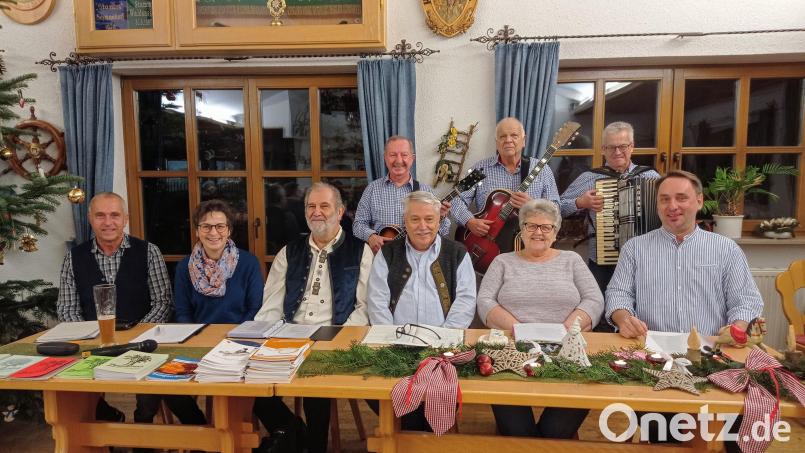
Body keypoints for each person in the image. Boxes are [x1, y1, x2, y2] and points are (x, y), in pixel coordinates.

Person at [56, 192, 205, 451]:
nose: (108, 222)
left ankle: (145, 432)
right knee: (63, 388)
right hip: (93, 344)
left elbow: (162, 303)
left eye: (114, 215)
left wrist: (135, 337)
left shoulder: (148, 252)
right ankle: (108, 419)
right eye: (100, 215)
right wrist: (90, 338)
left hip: (142, 343)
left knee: (157, 385)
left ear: (125, 219)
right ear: (90, 219)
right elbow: (67, 308)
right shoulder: (75, 257)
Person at [255, 182, 373, 453]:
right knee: (254, 386)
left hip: (334, 336)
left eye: (324, 206)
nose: (317, 212)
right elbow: (271, 304)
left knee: (315, 383)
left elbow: (365, 307)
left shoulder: (360, 250)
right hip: (289, 335)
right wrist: (262, 340)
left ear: (340, 211)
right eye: (311, 206)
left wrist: (339, 337)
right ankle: (298, 433)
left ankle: (315, 444)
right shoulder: (290, 251)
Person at [476, 198, 602, 438]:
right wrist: (518, 329)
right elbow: (485, 302)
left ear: (555, 232)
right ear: (521, 229)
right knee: (517, 431)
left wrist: (569, 327)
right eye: (531, 226)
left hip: (567, 354)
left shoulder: (571, 261)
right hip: (511, 353)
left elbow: (594, 300)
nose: (538, 232)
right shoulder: (502, 262)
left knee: (556, 430)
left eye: (546, 227)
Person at [605, 169, 763, 338]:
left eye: (681, 198)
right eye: (664, 199)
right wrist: (625, 320)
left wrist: (736, 329)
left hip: (710, 353)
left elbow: (746, 301)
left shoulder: (726, 249)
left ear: (699, 201)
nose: (672, 206)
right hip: (650, 351)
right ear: (657, 204)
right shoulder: (634, 248)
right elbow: (618, 294)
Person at [367, 191, 476, 431]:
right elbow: (377, 300)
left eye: (429, 219)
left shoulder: (457, 253)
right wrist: (392, 340)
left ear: (439, 221)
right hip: (396, 347)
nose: (422, 226)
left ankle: (415, 433)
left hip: (443, 351)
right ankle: (413, 432)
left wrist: (443, 344)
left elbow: (466, 301)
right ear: (405, 221)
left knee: (437, 393)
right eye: (415, 219)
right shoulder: (388, 253)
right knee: (373, 389)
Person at [559, 121, 660, 296]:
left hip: (644, 259)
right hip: (603, 259)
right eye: (611, 147)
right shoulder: (589, 178)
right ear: (603, 149)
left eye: (623, 146)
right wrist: (580, 202)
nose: (617, 152)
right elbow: (557, 208)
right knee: (598, 307)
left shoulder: (651, 177)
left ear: (632, 147)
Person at [450, 117, 560, 238]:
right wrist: (469, 221)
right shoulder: (479, 169)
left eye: (514, 135)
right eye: (502, 136)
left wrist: (533, 205)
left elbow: (556, 208)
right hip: (486, 242)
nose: (508, 140)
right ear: (497, 143)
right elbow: (456, 199)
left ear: (524, 141)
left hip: (528, 243)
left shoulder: (542, 169)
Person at [353, 135, 451, 254]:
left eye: (404, 155)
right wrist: (371, 236)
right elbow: (358, 224)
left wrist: (442, 217)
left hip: (416, 261)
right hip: (382, 259)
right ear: (385, 158)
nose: (399, 161)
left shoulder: (425, 192)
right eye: (393, 155)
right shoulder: (372, 189)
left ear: (412, 158)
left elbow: (444, 232)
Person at [174, 199, 264, 323]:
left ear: (229, 231)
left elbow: (255, 308)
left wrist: (236, 335)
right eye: (206, 226)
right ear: (197, 231)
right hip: (199, 337)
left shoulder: (249, 263)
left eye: (220, 226)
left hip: (239, 336)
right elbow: (183, 312)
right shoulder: (184, 266)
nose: (213, 232)